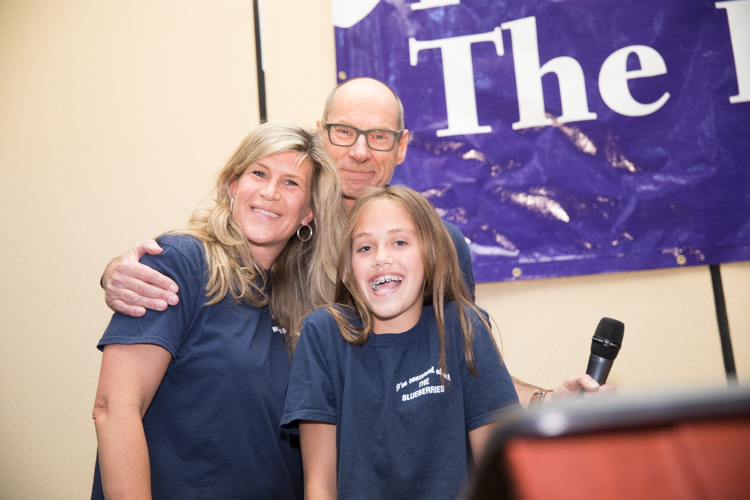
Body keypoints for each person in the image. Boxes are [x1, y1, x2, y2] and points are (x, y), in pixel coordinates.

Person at [99, 77, 615, 407]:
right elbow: (205, 259)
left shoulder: (441, 248)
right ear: (321, 134)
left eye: (380, 137)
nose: (361, 153)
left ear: (402, 145)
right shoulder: (283, 233)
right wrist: (119, 270)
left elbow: (463, 374)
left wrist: (545, 402)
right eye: (344, 132)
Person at [91, 122, 344, 499]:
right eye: (259, 173)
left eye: (291, 183)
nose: (271, 192)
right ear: (233, 186)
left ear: (308, 213)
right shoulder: (181, 263)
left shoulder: (308, 306)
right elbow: (114, 408)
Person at [281, 186, 519, 500]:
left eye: (400, 242)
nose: (381, 258)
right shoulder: (324, 334)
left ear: (431, 253)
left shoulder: (463, 327)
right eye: (365, 248)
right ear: (347, 269)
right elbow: (320, 486)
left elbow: (502, 478)